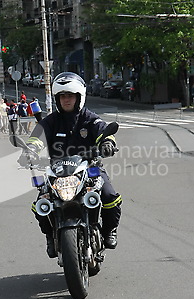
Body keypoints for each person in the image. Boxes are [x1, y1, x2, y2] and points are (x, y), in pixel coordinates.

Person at [19, 72, 122, 258]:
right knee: (41, 203)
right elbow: (37, 138)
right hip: (57, 171)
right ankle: (50, 235)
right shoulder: (50, 121)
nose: (66, 100)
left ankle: (109, 231)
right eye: (63, 96)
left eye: (70, 96)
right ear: (57, 99)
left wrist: (107, 143)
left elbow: (103, 130)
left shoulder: (89, 118)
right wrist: (30, 150)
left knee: (109, 196)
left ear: (79, 97)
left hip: (90, 167)